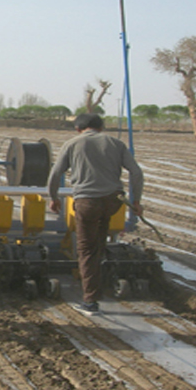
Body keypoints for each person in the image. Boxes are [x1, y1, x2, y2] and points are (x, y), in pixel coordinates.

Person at [47, 113, 144, 315]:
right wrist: (136, 201)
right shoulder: (116, 144)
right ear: (101, 127)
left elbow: (55, 174)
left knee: (87, 250)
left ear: (78, 129)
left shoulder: (72, 143)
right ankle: (100, 284)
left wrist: (54, 198)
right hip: (113, 201)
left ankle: (90, 302)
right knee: (99, 243)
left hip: (87, 202)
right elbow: (136, 172)